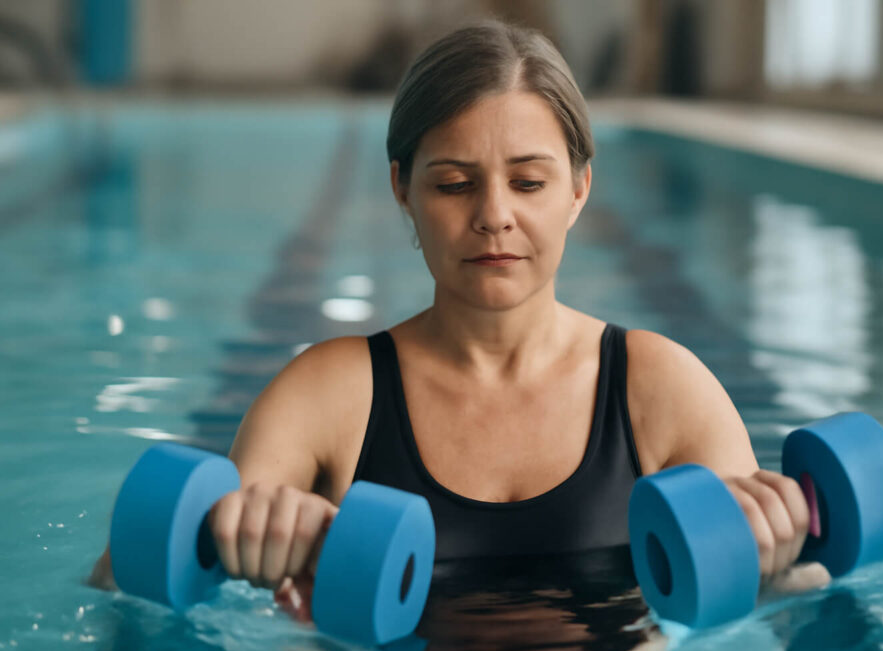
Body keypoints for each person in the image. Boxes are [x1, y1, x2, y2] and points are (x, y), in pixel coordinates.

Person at [89, 18, 829, 614]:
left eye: (529, 181)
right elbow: (126, 578)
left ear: (579, 190)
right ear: (402, 190)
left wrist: (782, 561)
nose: (494, 217)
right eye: (453, 184)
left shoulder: (659, 389)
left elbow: (779, 601)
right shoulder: (330, 395)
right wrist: (245, 532)